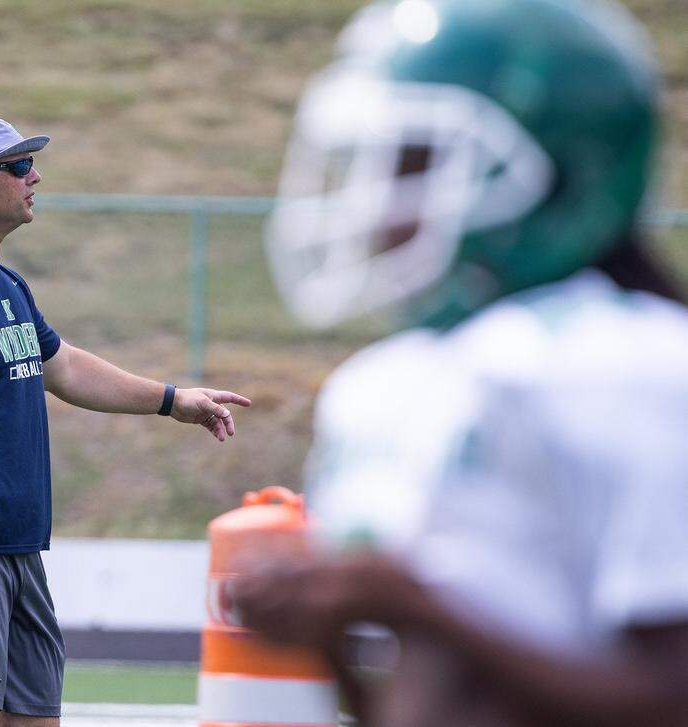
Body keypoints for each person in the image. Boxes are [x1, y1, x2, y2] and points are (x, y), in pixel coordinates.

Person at [231, 0, 688, 725]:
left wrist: (413, 604)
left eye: (419, 163)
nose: (379, 204)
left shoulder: (632, 367)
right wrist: (329, 626)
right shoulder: (384, 383)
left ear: (556, 174)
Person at [0, 114, 251, 726]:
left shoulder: (3, 283)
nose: (35, 177)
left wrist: (172, 400)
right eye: (20, 165)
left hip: (14, 546)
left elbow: (65, 367)